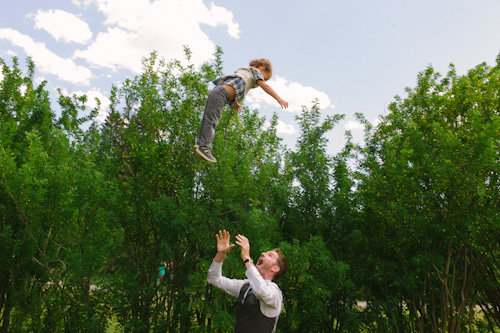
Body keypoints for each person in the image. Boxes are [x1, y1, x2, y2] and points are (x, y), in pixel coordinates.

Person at [195, 59, 289, 163]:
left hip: (218, 93)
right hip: (220, 94)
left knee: (210, 118)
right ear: (262, 69)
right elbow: (265, 86)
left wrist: (235, 103)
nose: (262, 81)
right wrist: (279, 99)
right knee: (212, 119)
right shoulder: (255, 71)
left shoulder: (245, 72)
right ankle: (203, 146)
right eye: (264, 78)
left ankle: (201, 145)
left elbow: (234, 86)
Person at [207, 230, 288, 333]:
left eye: (270, 255)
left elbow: (261, 291)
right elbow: (214, 279)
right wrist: (221, 254)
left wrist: (247, 258)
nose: (263, 253)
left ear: (275, 268)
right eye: (265, 253)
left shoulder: (275, 293)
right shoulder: (245, 286)